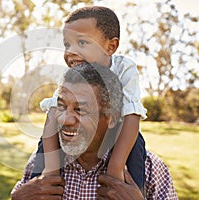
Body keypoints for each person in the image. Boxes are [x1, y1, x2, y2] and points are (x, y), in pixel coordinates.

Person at [11, 63, 177, 199]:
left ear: (111, 118)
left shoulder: (150, 170)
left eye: (80, 110)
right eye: (61, 106)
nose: (65, 119)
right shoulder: (41, 163)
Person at [34, 6, 148, 194]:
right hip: (82, 137)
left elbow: (131, 115)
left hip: (120, 130)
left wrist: (115, 169)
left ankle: (132, 191)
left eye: (82, 43)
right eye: (67, 45)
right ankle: (39, 190)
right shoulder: (72, 76)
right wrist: (51, 168)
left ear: (110, 47)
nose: (71, 51)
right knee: (44, 146)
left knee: (136, 146)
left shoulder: (124, 68)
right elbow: (53, 114)